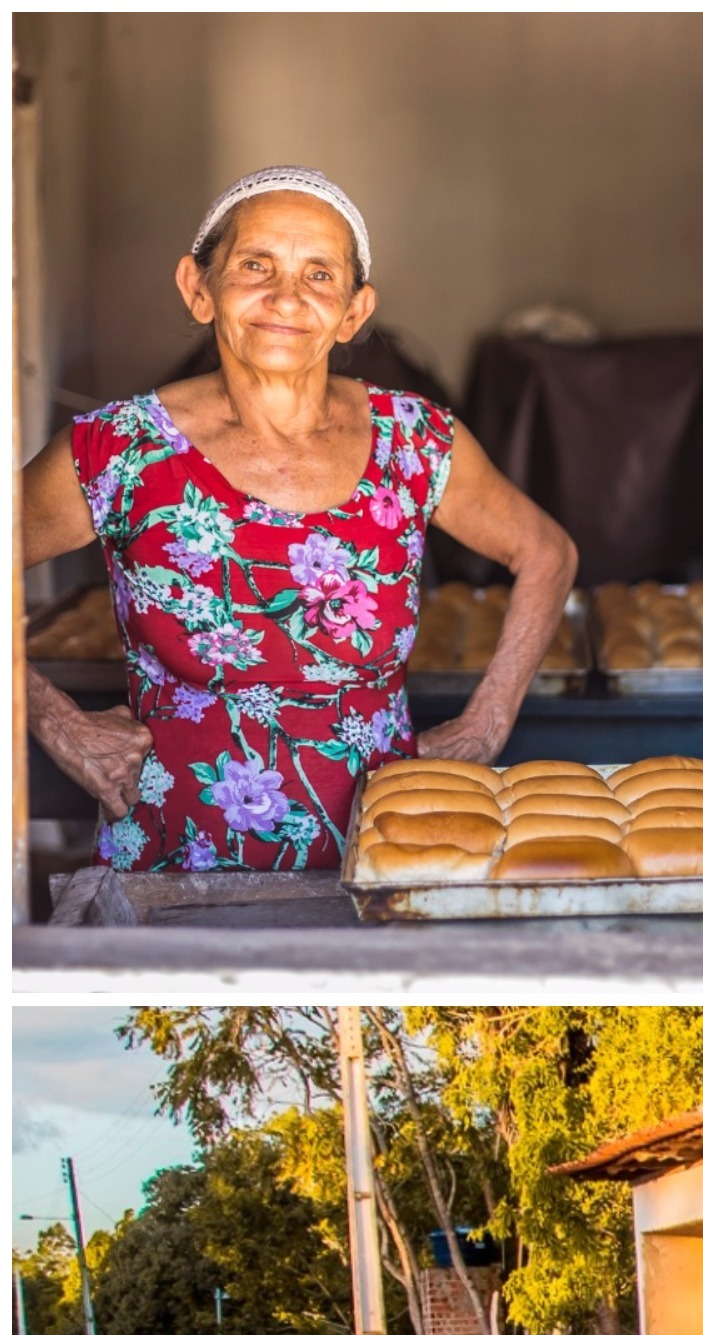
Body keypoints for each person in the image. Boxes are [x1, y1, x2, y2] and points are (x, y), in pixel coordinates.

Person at [20, 166, 576, 872]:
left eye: (319, 275)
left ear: (353, 312)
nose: (286, 297)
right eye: (256, 265)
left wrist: (489, 720)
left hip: (385, 864)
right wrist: (57, 722)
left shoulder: (416, 441)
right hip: (178, 864)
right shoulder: (121, 450)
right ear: (199, 288)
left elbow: (546, 551)